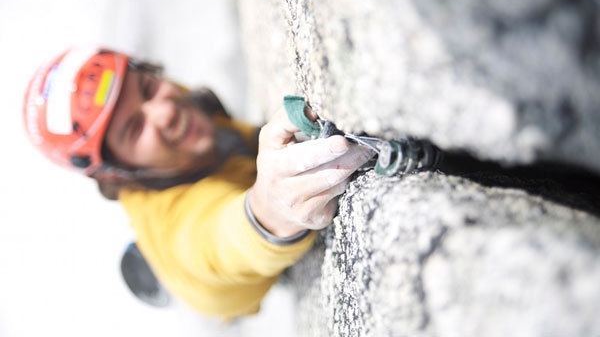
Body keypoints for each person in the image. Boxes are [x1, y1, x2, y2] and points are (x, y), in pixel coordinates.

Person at [22, 46, 372, 319]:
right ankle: (152, 268)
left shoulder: (173, 106)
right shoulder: (175, 231)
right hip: (205, 276)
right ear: (115, 173)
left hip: (225, 171)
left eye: (147, 88)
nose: (164, 112)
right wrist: (269, 211)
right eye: (134, 129)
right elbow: (213, 243)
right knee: (179, 275)